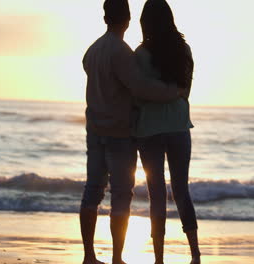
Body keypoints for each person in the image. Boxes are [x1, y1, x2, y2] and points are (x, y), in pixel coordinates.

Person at [80, 1, 183, 264]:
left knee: (93, 190)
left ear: (105, 18)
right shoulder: (121, 52)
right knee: (121, 195)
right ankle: (116, 258)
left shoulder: (92, 51)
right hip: (119, 133)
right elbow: (141, 88)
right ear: (127, 19)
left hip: (94, 130)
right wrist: (174, 92)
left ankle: (89, 256)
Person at [134, 1, 201, 263]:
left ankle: (159, 259)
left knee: (156, 193)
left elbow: (138, 95)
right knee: (182, 190)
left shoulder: (140, 54)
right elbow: (185, 92)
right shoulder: (183, 49)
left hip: (149, 128)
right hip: (178, 126)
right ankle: (195, 254)